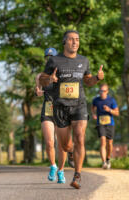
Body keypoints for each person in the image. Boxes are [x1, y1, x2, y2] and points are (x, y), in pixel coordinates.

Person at [39, 30, 104, 189]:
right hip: (60, 107)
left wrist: (96, 78)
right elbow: (42, 79)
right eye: (71, 39)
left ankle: (77, 175)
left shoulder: (84, 60)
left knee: (80, 137)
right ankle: (71, 152)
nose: (75, 42)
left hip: (79, 105)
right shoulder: (54, 60)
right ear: (64, 42)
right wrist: (50, 79)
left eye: (77, 39)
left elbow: (88, 81)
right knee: (66, 145)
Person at [35, 47, 74, 184]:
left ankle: (61, 170)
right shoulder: (40, 76)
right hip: (48, 110)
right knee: (49, 142)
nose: (49, 59)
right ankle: (53, 166)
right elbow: (38, 91)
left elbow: (70, 92)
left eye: (52, 57)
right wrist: (38, 92)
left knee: (62, 145)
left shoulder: (63, 75)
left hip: (62, 111)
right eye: (47, 57)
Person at [91, 83, 119, 169]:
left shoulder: (111, 100)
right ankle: (103, 163)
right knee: (102, 141)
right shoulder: (96, 100)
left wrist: (109, 110)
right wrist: (93, 114)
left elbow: (117, 113)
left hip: (110, 124)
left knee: (109, 143)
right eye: (100, 91)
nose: (102, 92)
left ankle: (108, 159)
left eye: (104, 91)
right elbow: (92, 108)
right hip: (100, 124)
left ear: (107, 91)